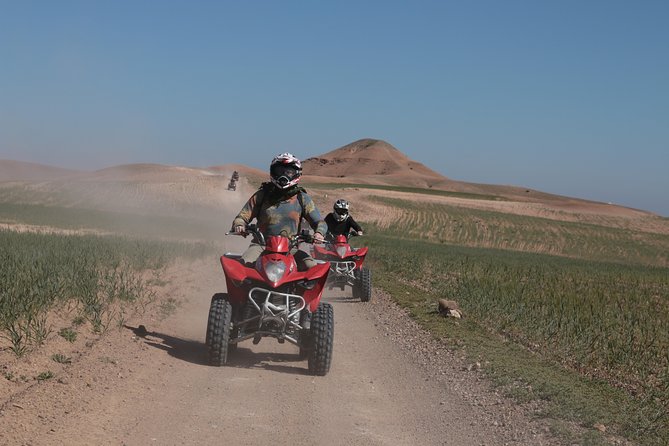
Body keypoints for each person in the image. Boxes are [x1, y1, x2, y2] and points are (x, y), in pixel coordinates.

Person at [231, 153, 327, 269]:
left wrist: (319, 233)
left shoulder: (302, 198)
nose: (283, 176)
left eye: (288, 172)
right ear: (273, 172)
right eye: (279, 171)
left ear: (296, 174)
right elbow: (242, 217)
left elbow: (319, 222)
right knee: (242, 267)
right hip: (261, 246)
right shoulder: (262, 195)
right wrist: (240, 225)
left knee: (312, 268)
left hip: (291, 249)